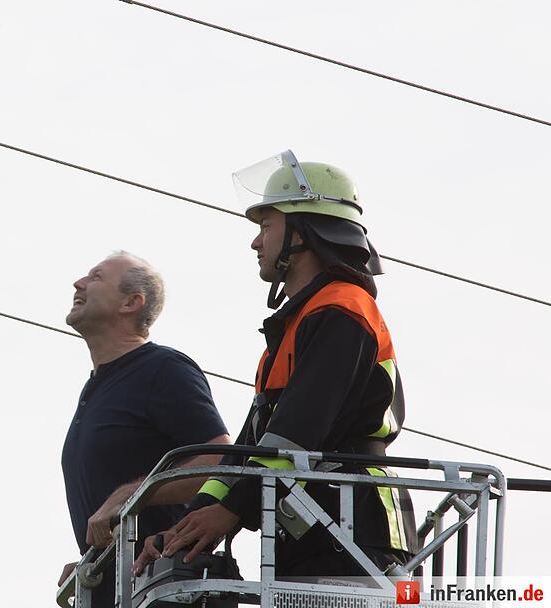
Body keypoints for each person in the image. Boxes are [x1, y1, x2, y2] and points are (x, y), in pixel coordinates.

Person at [133, 151, 417, 578]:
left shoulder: (344, 309)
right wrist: (188, 523)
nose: (256, 240)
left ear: (303, 230)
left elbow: (299, 432)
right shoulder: (292, 330)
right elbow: (250, 451)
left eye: (267, 225)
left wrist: (232, 511)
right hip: (314, 524)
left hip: (359, 526)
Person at [58, 251, 230, 605]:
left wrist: (131, 494)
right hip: (126, 591)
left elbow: (221, 461)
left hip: (168, 591)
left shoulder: (162, 369)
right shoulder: (97, 388)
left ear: (131, 302)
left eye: (96, 277)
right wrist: (94, 564)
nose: (79, 283)